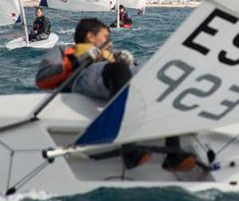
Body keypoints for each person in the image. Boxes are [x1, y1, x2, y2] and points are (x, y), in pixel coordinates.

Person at [35, 17, 196, 172]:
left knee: (159, 73)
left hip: (111, 74)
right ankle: (129, 149)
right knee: (117, 69)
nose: (109, 41)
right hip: (85, 76)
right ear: (91, 36)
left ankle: (174, 152)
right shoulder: (66, 50)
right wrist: (79, 60)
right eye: (105, 36)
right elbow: (43, 78)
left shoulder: (111, 53)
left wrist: (129, 62)